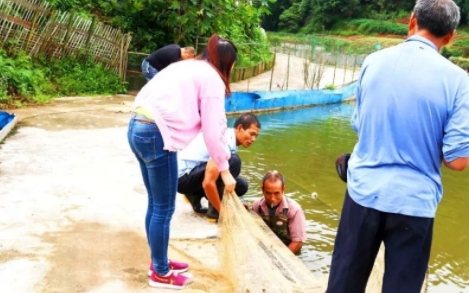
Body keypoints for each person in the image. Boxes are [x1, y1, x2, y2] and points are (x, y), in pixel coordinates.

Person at [326, 1, 469, 293]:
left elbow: (360, 125)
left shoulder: (373, 61)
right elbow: (458, 160)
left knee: (343, 284)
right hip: (414, 203)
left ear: (412, 21)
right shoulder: (458, 81)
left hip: (363, 193)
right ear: (451, 35)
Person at [128, 34, 238, 289]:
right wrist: (224, 169)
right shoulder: (211, 78)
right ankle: (161, 274)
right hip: (156, 133)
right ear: (227, 63)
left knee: (156, 204)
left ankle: (159, 262)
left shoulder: (186, 66)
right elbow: (212, 131)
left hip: (137, 126)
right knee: (164, 209)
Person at [177, 113, 261, 222]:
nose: (253, 139)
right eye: (251, 134)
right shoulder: (224, 142)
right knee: (234, 162)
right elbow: (208, 182)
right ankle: (214, 213)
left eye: (256, 136)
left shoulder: (227, 136)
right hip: (182, 179)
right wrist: (222, 212)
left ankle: (193, 196)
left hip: (187, 175)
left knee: (241, 185)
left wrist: (237, 203)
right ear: (240, 128)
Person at [252, 171, 307, 255]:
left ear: (283, 189)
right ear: (262, 189)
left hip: (288, 250)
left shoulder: (294, 209)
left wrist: (281, 258)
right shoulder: (256, 206)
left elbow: (297, 242)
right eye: (268, 193)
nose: (272, 198)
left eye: (276, 193)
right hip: (266, 247)